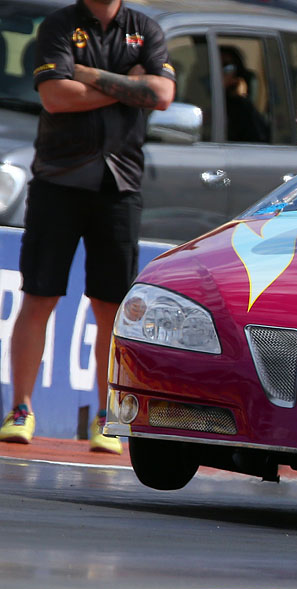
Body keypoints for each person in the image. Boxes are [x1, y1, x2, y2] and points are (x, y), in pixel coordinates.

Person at [0, 0, 175, 453]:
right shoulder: (59, 25)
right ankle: (20, 409)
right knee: (39, 295)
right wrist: (129, 85)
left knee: (111, 306)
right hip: (58, 181)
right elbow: (56, 97)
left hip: (119, 186)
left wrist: (89, 75)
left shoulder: (145, 29)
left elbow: (161, 95)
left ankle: (106, 416)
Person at [219, 45, 269, 143]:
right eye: (214, 66)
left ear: (236, 76)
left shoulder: (242, 109)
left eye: (227, 68)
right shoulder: (195, 103)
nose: (219, 72)